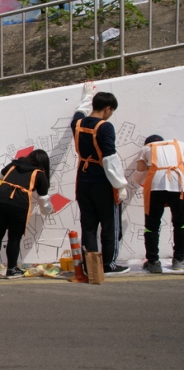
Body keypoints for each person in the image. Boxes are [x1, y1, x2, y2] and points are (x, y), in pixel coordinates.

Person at [71, 82, 129, 274]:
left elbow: (79, 111)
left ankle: (91, 265)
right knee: (110, 225)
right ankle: (108, 264)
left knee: (88, 225)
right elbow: (110, 158)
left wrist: (88, 95)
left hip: (83, 181)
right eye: (111, 111)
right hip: (102, 182)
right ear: (108, 108)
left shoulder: (78, 124)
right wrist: (120, 186)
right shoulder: (105, 127)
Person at [0, 149, 53, 279]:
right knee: (14, 237)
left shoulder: (14, 165)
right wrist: (48, 211)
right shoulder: (39, 174)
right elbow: (44, 199)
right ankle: (12, 269)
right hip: (19, 202)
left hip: (0, 198)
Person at [132, 135, 184, 273]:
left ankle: (153, 262)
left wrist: (138, 180)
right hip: (178, 186)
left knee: (152, 225)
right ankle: (179, 259)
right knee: (180, 223)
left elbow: (139, 173)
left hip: (155, 187)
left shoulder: (146, 148)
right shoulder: (179, 144)